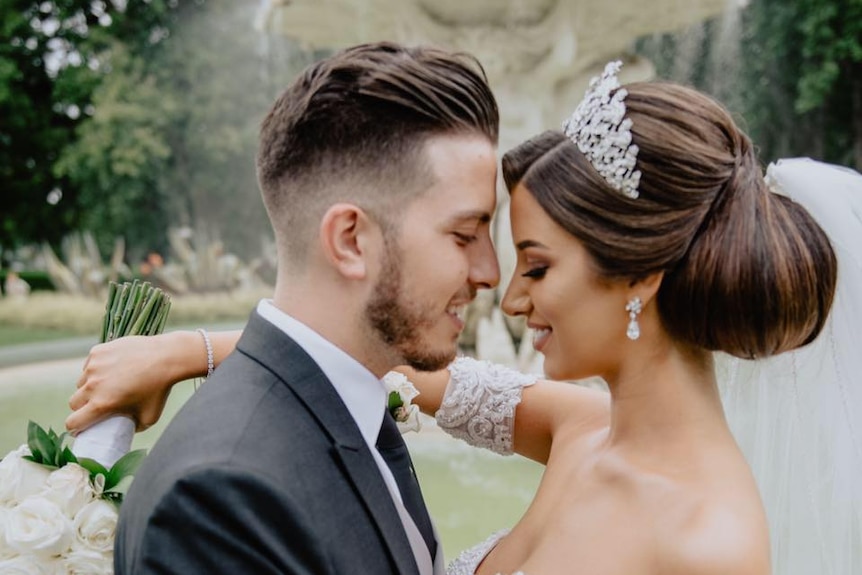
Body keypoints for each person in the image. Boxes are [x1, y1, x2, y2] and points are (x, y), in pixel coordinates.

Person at [69, 62, 858, 575]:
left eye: (538, 267)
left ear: (641, 278)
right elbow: (372, 359)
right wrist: (185, 351)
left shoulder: (707, 543)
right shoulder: (579, 425)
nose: (507, 295)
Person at [105, 41, 502, 575]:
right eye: (464, 234)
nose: (490, 272)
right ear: (351, 240)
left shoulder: (352, 401)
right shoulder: (216, 502)